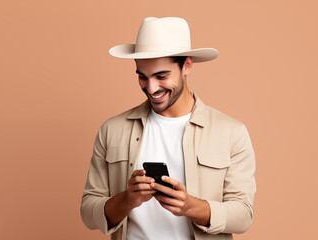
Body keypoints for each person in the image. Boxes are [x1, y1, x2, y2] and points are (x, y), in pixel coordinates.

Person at [80, 17, 256, 240]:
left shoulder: (231, 132)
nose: (151, 88)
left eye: (161, 76)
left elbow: (243, 215)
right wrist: (127, 200)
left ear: (187, 65)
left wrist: (191, 207)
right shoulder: (112, 130)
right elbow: (88, 211)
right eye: (142, 77)